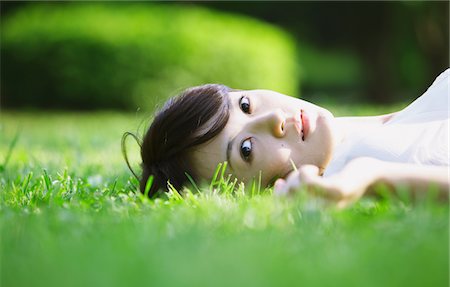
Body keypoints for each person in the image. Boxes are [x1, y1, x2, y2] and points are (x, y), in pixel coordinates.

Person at [123, 69, 449, 206]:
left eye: (245, 105)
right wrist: (371, 177)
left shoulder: (397, 125)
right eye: (246, 150)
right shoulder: (356, 163)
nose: (274, 119)